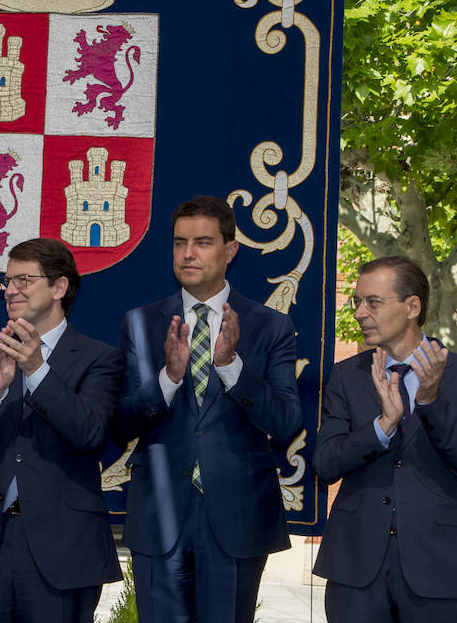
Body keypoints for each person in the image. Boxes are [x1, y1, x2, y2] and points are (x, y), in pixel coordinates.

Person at [115, 195, 301, 623]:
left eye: (202, 242)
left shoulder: (271, 326)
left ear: (230, 250)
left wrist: (232, 366)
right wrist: (169, 379)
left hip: (238, 517)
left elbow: (287, 422)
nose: (188, 254)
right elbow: (119, 423)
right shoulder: (141, 323)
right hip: (160, 514)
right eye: (180, 243)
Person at [0, 237, 125, 622]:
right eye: (6, 281)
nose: (11, 290)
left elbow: (89, 433)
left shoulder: (99, 358)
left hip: (63, 545)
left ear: (59, 287)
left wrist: (37, 370)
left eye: (24, 280)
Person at [313, 256, 457, 621]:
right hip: (356, 566)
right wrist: (382, 426)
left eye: (373, 302)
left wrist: (430, 402)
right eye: (357, 302)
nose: (360, 313)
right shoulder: (346, 377)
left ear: (413, 306)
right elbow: (326, 464)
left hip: (438, 568)